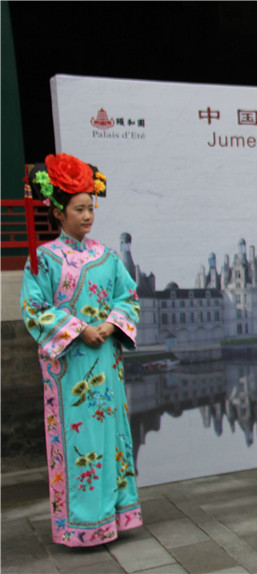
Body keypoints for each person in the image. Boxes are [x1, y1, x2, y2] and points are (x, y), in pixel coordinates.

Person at [19, 154, 142, 546]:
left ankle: (115, 515)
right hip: (71, 367)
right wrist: (78, 328)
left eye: (91, 207)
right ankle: (83, 524)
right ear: (59, 211)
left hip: (106, 362)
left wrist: (110, 324)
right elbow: (34, 309)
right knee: (81, 443)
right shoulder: (43, 259)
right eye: (80, 208)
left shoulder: (106, 257)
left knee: (111, 439)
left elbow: (129, 296)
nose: (88, 215)